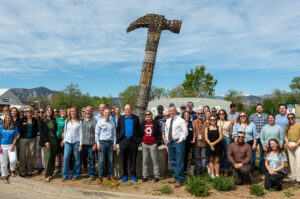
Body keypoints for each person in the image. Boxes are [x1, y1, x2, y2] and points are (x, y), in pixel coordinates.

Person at [116, 104, 141, 183]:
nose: (127, 111)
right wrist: (119, 140)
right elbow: (118, 130)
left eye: (129, 109)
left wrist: (138, 141)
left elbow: (139, 130)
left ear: (131, 109)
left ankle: (133, 175)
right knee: (124, 159)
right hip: (123, 141)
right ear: (124, 110)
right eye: (126, 109)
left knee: (133, 159)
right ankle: (125, 175)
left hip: (133, 142)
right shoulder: (121, 118)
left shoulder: (136, 118)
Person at [165, 105, 187, 188]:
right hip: (171, 142)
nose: (171, 112)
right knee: (173, 160)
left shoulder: (181, 120)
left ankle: (179, 179)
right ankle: (176, 176)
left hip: (178, 142)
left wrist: (180, 140)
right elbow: (166, 130)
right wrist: (167, 139)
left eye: (173, 111)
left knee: (179, 161)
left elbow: (185, 132)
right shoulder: (168, 120)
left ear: (176, 111)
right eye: (170, 111)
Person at [95, 108, 117, 184]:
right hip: (102, 143)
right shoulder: (100, 122)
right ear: (103, 114)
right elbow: (97, 134)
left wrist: (114, 143)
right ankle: (100, 177)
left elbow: (114, 134)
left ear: (110, 114)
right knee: (101, 161)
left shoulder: (112, 122)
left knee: (110, 161)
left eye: (108, 113)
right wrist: (97, 143)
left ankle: (110, 175)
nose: (107, 114)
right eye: (106, 113)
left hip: (110, 143)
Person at [61, 107, 82, 181]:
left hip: (76, 142)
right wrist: (63, 140)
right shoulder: (67, 120)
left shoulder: (79, 121)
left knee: (77, 159)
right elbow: (65, 131)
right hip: (67, 142)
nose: (72, 113)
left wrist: (80, 144)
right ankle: (65, 176)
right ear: (69, 112)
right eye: (71, 111)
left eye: (74, 111)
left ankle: (75, 175)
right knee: (66, 158)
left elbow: (81, 133)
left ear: (76, 112)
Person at [141, 110, 162, 183]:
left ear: (151, 115)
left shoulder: (155, 123)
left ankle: (156, 176)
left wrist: (157, 143)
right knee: (145, 161)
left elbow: (159, 133)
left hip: (153, 145)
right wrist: (142, 141)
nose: (147, 116)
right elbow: (140, 133)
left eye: (149, 114)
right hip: (145, 145)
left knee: (155, 161)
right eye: (146, 115)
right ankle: (145, 176)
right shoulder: (143, 123)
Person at [18, 107, 39, 177]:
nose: (28, 112)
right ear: (25, 112)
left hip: (32, 139)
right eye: (27, 111)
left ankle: (29, 171)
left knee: (31, 155)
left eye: (30, 111)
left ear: (32, 112)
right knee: (22, 155)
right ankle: (22, 171)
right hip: (23, 139)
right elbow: (19, 129)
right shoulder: (22, 120)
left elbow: (36, 129)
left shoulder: (35, 120)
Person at [39, 106, 58, 182]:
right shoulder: (42, 120)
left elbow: (55, 130)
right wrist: (46, 141)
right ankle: (47, 175)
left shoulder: (54, 120)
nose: (49, 111)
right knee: (48, 157)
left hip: (53, 140)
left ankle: (51, 173)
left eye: (50, 110)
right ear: (46, 111)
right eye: (48, 110)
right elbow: (41, 132)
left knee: (53, 157)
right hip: (46, 141)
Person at [250, 104, 268, 173]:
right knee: (253, 152)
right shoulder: (252, 116)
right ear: (256, 109)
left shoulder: (266, 116)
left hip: (263, 137)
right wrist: (256, 133)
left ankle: (261, 167)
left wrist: (261, 133)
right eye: (258, 108)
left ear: (262, 109)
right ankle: (253, 167)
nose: (259, 109)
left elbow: (267, 125)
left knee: (262, 153)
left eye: (261, 107)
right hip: (254, 137)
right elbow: (250, 125)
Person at [0, 114, 18, 183]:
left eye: (9, 118)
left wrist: (13, 146)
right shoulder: (1, 127)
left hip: (11, 145)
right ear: (4, 119)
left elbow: (15, 138)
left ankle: (12, 169)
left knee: (14, 160)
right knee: (3, 163)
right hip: (2, 146)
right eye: (6, 118)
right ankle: (5, 176)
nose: (8, 119)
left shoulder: (14, 127)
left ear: (11, 119)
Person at [81, 105, 97, 181]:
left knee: (92, 159)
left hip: (91, 144)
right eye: (86, 110)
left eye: (89, 110)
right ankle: (79, 172)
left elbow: (97, 133)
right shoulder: (81, 120)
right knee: (81, 158)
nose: (88, 112)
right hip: (82, 143)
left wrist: (95, 144)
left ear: (92, 111)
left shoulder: (95, 121)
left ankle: (91, 174)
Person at [285, 113, 300, 183]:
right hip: (290, 144)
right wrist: (288, 144)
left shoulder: (299, 125)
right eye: (289, 118)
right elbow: (285, 136)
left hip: (297, 144)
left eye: (292, 117)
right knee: (292, 162)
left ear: (294, 118)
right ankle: (294, 177)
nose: (290, 119)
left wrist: (296, 145)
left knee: (298, 162)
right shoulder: (287, 127)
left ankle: (299, 178)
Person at [217, 109, 232, 176]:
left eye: (223, 113)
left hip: (226, 138)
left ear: (225, 114)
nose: (221, 115)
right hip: (218, 139)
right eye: (220, 113)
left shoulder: (229, 122)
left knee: (226, 155)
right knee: (220, 155)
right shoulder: (216, 121)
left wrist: (228, 138)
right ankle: (220, 169)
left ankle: (226, 169)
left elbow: (231, 132)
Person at [193, 109, 207, 174]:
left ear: (203, 114)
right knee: (197, 158)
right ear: (197, 114)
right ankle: (198, 171)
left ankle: (203, 171)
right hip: (196, 143)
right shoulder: (194, 122)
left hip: (204, 143)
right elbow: (193, 132)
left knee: (204, 157)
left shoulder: (206, 123)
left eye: (201, 113)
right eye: (199, 113)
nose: (200, 114)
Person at [55, 109, 66, 174]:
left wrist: (63, 139)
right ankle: (57, 167)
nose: (63, 113)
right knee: (57, 154)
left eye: (64, 112)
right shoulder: (57, 120)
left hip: (64, 139)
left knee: (63, 154)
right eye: (62, 112)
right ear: (59, 113)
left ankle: (62, 168)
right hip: (57, 138)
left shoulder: (67, 120)